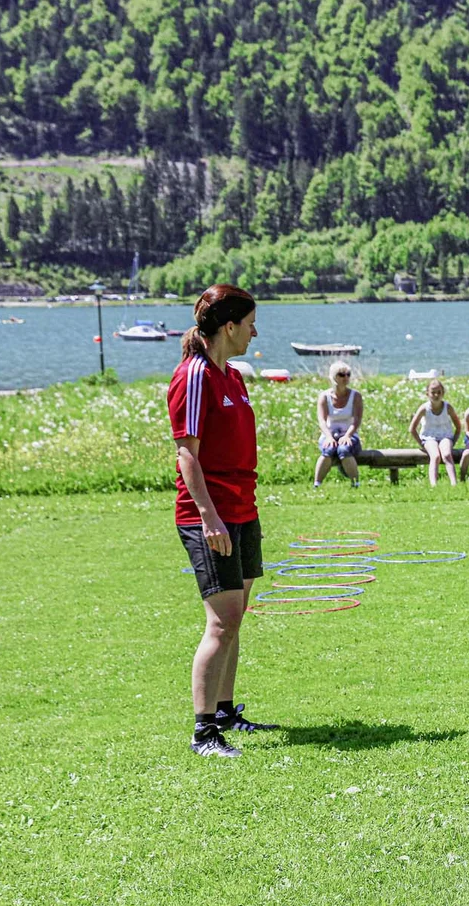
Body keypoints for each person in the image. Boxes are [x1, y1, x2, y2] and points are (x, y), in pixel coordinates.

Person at [168, 284, 277, 759]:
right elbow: (186, 455)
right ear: (228, 327)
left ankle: (227, 711)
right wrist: (210, 518)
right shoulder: (194, 376)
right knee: (222, 621)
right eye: (250, 322)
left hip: (242, 510)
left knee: (236, 617)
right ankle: (203, 732)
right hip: (208, 516)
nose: (255, 331)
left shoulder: (233, 375)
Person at [312, 360, 363, 488]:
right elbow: (322, 420)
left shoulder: (356, 396)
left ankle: (355, 483)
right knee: (328, 450)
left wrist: (347, 436)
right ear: (334, 377)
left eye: (348, 374)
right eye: (341, 375)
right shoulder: (324, 396)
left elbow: (357, 420)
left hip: (349, 434)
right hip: (330, 433)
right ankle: (317, 484)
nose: (345, 378)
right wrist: (329, 437)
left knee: (344, 449)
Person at [409, 378, 461, 487]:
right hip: (429, 437)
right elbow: (412, 429)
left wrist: (453, 441)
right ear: (427, 393)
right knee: (436, 456)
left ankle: (454, 483)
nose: (436, 395)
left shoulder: (448, 407)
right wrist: (421, 443)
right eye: (433, 392)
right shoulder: (424, 408)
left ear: (443, 393)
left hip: (445, 435)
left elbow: (458, 426)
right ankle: (434, 484)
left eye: (439, 392)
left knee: (446, 454)